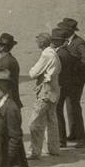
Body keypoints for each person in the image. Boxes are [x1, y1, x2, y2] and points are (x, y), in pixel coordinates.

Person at [58, 18, 85, 148]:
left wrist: (75, 68)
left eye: (63, 29)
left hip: (77, 80)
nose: (61, 30)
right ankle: (73, 134)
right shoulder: (66, 41)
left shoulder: (78, 42)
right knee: (69, 106)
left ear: (69, 30)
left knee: (74, 107)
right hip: (68, 80)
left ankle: (81, 139)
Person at [27, 32, 61, 160]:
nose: (37, 43)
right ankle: (54, 148)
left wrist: (33, 69)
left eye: (38, 41)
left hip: (46, 91)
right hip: (54, 90)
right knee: (51, 119)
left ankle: (34, 151)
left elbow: (33, 73)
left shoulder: (46, 54)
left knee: (34, 122)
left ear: (42, 42)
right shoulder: (53, 52)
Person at [0, 70, 28, 167]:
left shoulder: (10, 108)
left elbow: (15, 138)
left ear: (2, 85)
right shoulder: (1, 104)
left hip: (9, 165)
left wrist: (5, 160)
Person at [0, 33, 22, 108]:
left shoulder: (5, 62)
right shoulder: (10, 59)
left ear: (3, 47)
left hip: (7, 102)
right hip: (12, 100)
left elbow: (0, 83)